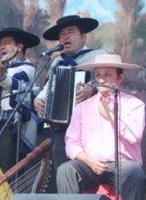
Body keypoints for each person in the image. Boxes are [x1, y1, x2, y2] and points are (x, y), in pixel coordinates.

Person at [57, 54, 146, 200]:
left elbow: (134, 136)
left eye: (107, 75)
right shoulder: (83, 107)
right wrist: (88, 160)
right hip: (91, 164)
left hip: (122, 165)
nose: (101, 80)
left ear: (119, 78)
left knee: (136, 174)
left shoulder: (134, 104)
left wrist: (110, 115)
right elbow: (71, 142)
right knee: (66, 171)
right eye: (98, 75)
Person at [34, 15, 106, 185]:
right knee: (63, 172)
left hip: (92, 127)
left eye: (70, 32)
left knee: (91, 174)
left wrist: (93, 89)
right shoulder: (56, 61)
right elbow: (48, 88)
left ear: (83, 37)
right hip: (62, 129)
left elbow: (111, 84)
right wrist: (38, 100)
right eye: (62, 34)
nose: (65, 37)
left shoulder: (98, 57)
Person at [0, 27, 40, 172]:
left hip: (9, 130)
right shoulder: (1, 70)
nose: (1, 47)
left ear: (20, 47)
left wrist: (1, 76)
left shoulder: (27, 69)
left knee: (6, 174)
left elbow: (16, 86)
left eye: (6, 43)